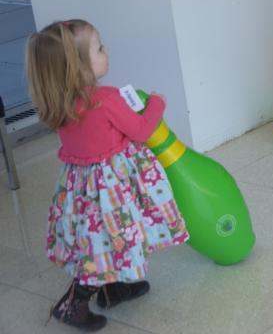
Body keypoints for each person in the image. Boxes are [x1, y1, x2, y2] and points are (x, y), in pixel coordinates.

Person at [26, 20, 189, 331]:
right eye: (99, 47)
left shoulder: (59, 105)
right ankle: (72, 303)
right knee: (114, 239)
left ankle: (114, 289)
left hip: (83, 191)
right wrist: (156, 104)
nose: (106, 50)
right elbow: (141, 131)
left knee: (99, 241)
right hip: (113, 190)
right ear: (78, 67)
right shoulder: (107, 98)